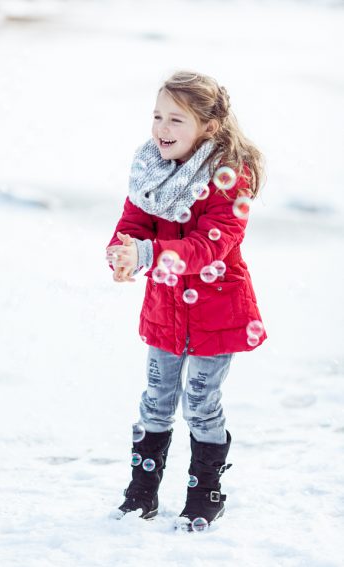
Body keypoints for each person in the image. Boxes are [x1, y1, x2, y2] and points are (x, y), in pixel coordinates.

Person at [106, 70, 266, 531]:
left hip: (218, 311)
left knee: (200, 402)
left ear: (208, 128)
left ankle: (205, 492)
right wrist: (123, 252)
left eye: (176, 119)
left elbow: (208, 246)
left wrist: (149, 253)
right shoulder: (150, 171)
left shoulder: (228, 179)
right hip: (165, 310)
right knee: (155, 401)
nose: (162, 129)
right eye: (158, 116)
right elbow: (133, 223)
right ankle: (141, 493)